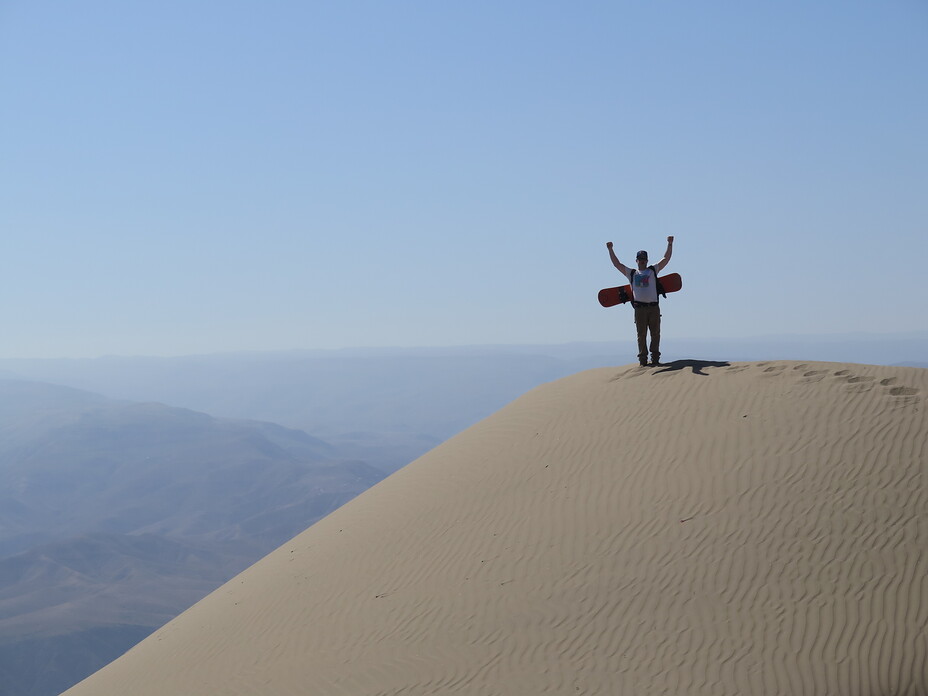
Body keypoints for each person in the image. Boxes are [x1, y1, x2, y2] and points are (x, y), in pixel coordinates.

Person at [606, 236, 674, 367]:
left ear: (647, 260)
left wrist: (670, 244)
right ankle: (643, 361)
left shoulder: (653, 270)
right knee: (641, 335)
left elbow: (666, 259)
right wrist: (610, 249)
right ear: (636, 260)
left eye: (644, 259)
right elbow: (617, 264)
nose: (642, 261)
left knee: (656, 334)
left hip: (654, 307)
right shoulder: (631, 273)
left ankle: (655, 359)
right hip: (639, 309)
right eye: (640, 259)